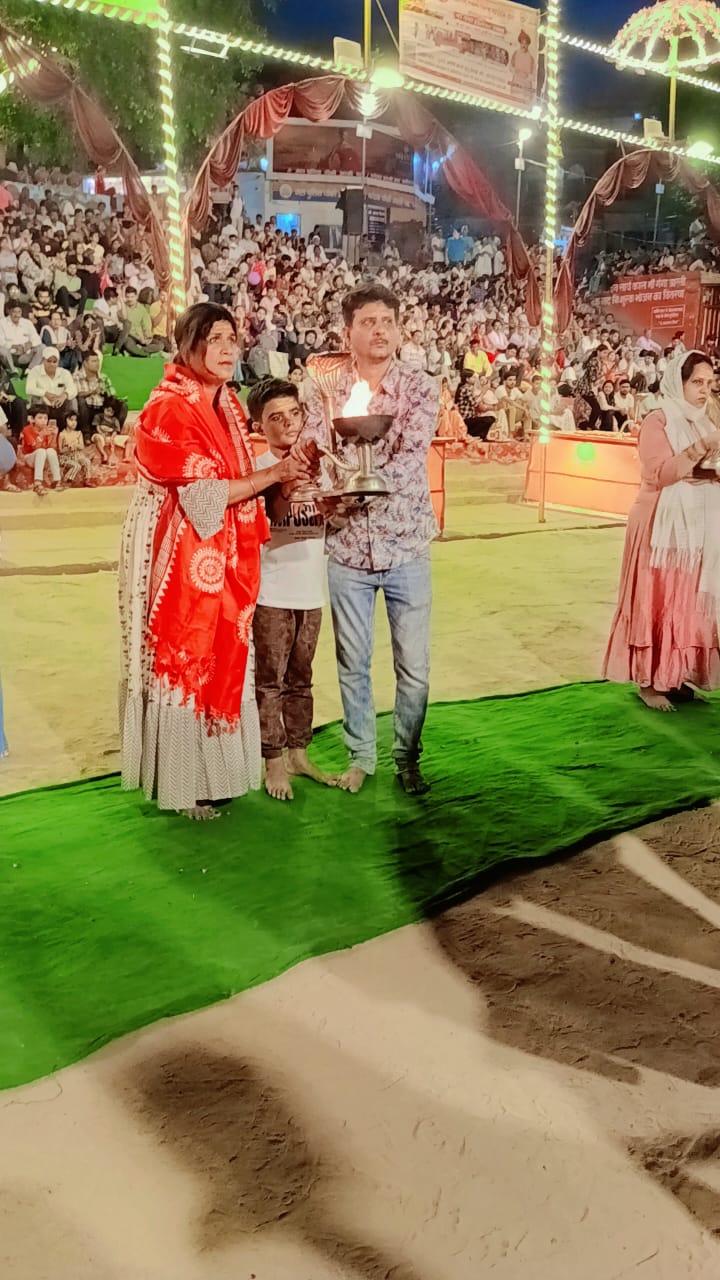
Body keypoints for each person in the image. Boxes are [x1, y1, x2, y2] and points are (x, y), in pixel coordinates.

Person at [119, 302, 314, 819]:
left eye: (233, 339)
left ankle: (212, 775)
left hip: (217, 546)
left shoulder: (225, 404)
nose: (228, 349)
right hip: (177, 547)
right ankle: (182, 786)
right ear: (189, 346)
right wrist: (273, 475)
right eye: (215, 339)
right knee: (186, 657)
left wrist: (282, 482)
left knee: (223, 655)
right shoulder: (169, 408)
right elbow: (203, 497)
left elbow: (233, 490)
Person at [304, 281, 439, 796]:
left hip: (405, 544)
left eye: (387, 321)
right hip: (347, 548)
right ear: (349, 333)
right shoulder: (326, 390)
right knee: (352, 662)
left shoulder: (420, 387)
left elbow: (409, 459)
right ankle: (362, 755)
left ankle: (407, 756)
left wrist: (356, 486)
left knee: (415, 668)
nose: (379, 331)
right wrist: (335, 492)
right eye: (368, 322)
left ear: (399, 330)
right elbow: (316, 452)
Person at [603, 350, 720, 711]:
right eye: (696, 382)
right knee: (655, 599)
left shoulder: (704, 420)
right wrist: (703, 447)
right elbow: (661, 473)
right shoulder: (659, 420)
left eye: (709, 383)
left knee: (684, 600)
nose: (704, 390)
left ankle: (675, 675)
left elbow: (699, 470)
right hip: (657, 525)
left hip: (693, 526)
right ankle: (649, 683)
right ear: (677, 382)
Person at [247, 378, 338, 801]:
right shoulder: (259, 473)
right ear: (259, 426)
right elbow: (262, 530)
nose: (287, 424)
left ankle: (299, 753)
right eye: (275, 418)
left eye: (294, 414)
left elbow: (332, 522)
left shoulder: (324, 467)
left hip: (310, 591)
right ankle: (273, 761)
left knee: (302, 678)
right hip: (271, 594)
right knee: (270, 681)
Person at [20, 406, 62, 495]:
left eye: (45, 418)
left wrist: (54, 436)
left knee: (51, 451)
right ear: (33, 419)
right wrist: (41, 436)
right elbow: (35, 447)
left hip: (44, 458)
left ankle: (57, 481)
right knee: (41, 451)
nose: (43, 420)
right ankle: (37, 484)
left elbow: (53, 448)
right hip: (30, 457)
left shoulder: (48, 429)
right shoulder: (27, 430)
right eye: (40, 418)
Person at [26, 347, 78, 418]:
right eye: (49, 361)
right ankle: (39, 423)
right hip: (43, 404)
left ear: (58, 362)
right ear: (43, 360)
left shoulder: (64, 373)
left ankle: (71, 423)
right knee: (35, 398)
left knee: (73, 400)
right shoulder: (35, 371)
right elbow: (29, 388)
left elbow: (73, 389)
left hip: (60, 403)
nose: (52, 364)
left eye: (54, 362)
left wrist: (64, 395)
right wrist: (45, 393)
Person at [58, 410, 92, 485]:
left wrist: (75, 445)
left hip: (77, 455)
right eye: (71, 420)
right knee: (76, 466)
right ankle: (66, 481)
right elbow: (60, 450)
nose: (74, 422)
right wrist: (68, 448)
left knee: (87, 461)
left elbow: (81, 446)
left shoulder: (78, 433)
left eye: (75, 420)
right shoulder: (62, 434)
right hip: (66, 457)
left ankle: (87, 480)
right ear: (65, 421)